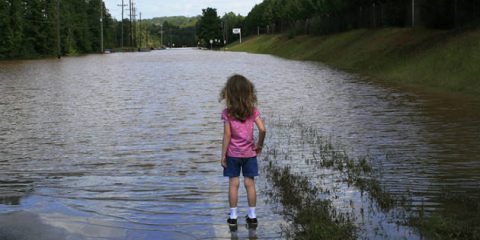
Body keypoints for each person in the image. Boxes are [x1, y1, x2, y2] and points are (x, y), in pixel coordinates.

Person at [219, 74, 266, 226]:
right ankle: (252, 216)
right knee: (249, 183)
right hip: (250, 154)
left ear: (229, 93)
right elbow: (263, 129)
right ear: (248, 92)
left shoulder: (228, 113)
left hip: (232, 154)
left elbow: (227, 135)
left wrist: (223, 155)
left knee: (233, 183)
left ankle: (233, 217)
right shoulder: (253, 111)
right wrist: (259, 145)